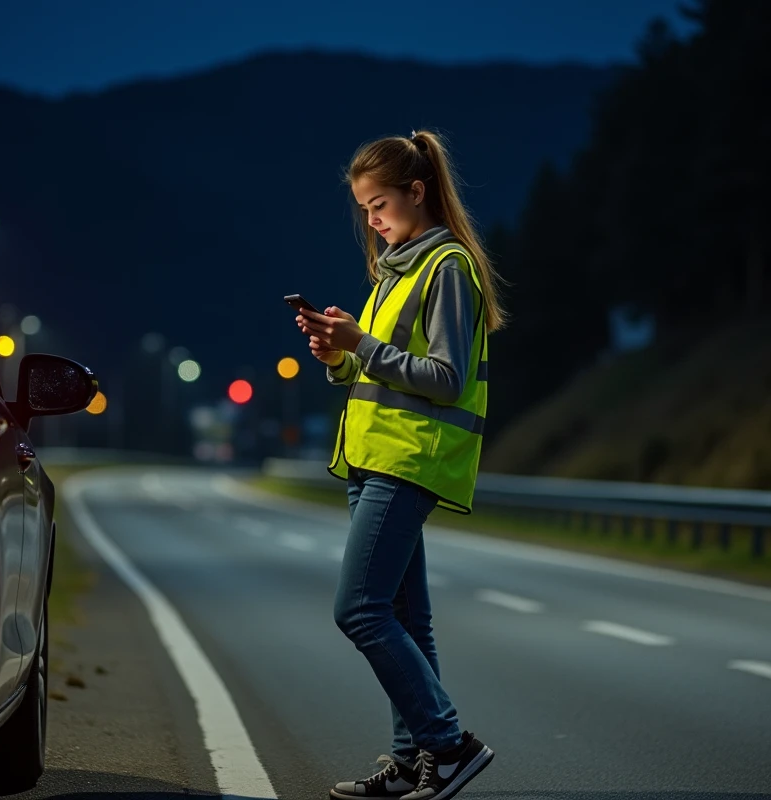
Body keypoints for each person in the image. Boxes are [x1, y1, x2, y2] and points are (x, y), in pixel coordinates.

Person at [296, 130, 506, 800]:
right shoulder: (397, 268)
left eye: (380, 202)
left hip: (409, 460)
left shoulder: (445, 267)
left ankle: (449, 746)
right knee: (406, 620)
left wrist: (362, 342)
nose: (372, 218)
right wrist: (339, 355)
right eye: (363, 207)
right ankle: (413, 760)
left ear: (418, 192)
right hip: (373, 458)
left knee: (358, 608)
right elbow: (378, 370)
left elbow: (444, 377)